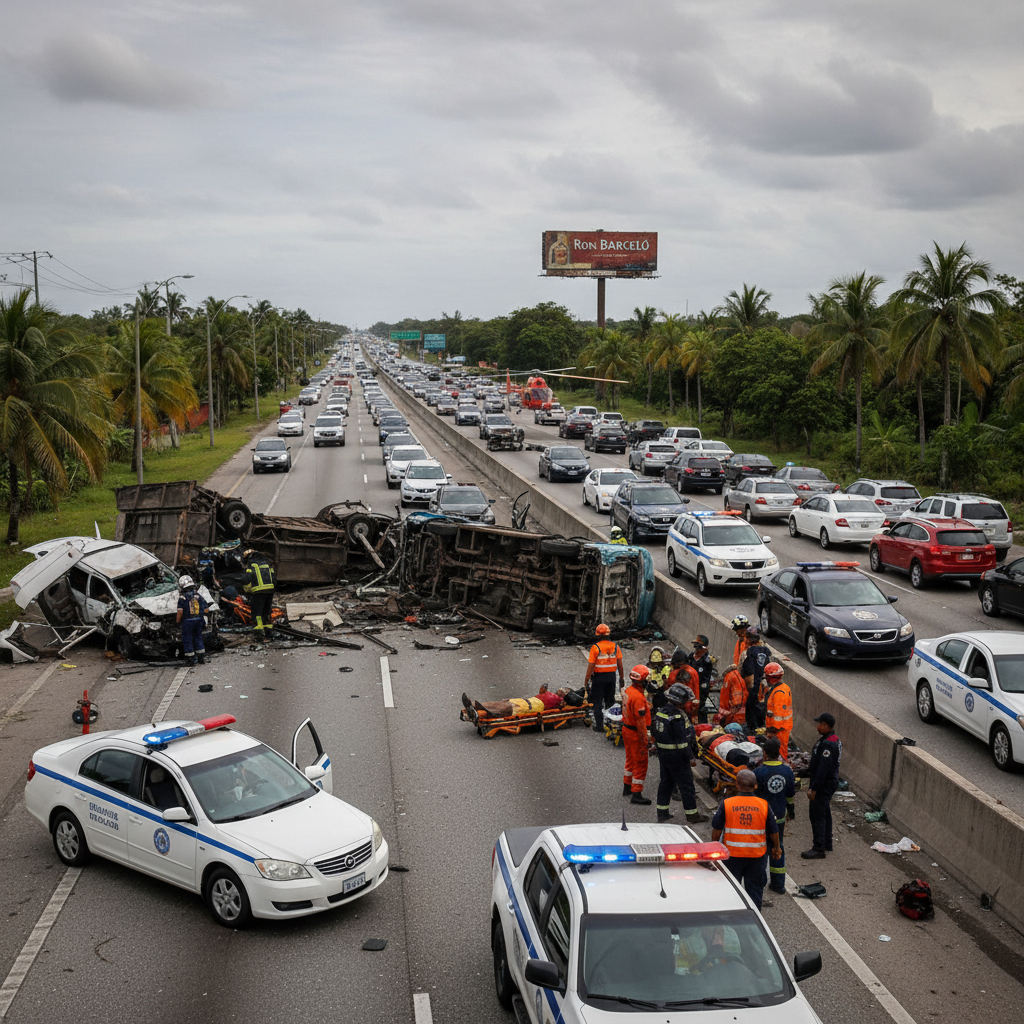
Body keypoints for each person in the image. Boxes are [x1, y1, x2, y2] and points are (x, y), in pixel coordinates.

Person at [711, 768, 781, 911]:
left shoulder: (727, 804)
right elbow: (773, 830)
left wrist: (714, 849)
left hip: (732, 856)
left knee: (732, 891)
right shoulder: (763, 805)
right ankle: (754, 920)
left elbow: (716, 830)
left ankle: (733, 917)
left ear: (737, 785)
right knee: (754, 892)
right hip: (757, 857)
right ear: (755, 786)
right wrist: (777, 848)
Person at [654, 683, 709, 825]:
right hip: (677, 756)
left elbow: (656, 734)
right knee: (686, 786)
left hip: (664, 755)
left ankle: (662, 813)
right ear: (680, 701)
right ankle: (692, 815)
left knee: (666, 783)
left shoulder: (661, 712)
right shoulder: (677, 716)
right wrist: (690, 757)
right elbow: (682, 741)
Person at [754, 737, 796, 896]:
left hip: (762, 819)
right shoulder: (787, 771)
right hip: (779, 818)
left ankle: (761, 882)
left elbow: (754, 796)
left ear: (764, 752)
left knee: (761, 851)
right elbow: (790, 794)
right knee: (778, 849)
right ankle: (779, 884)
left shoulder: (758, 772)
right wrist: (791, 810)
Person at [802, 712, 842, 860]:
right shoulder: (832, 739)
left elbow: (823, 769)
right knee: (825, 812)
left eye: (820, 724)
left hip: (824, 784)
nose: (817, 727)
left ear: (826, 726)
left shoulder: (828, 744)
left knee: (817, 814)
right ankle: (826, 842)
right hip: (829, 782)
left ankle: (818, 848)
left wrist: (814, 788)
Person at [584, 623, 624, 733]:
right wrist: (621, 678)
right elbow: (620, 664)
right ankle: (611, 724)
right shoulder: (616, 647)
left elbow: (591, 666)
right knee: (610, 701)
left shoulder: (595, 648)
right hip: (611, 677)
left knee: (597, 702)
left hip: (599, 678)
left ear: (597, 635)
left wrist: (586, 680)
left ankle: (599, 726)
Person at [622, 665, 652, 804]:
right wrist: (645, 740)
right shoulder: (639, 698)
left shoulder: (629, 691)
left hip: (626, 729)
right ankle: (637, 793)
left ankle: (627, 786)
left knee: (630, 759)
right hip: (635, 732)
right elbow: (641, 723)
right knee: (640, 762)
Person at [462, 684, 574, 720]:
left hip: (529, 707)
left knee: (502, 709)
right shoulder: (550, 693)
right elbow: (541, 692)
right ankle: (472, 706)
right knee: (496, 704)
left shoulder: (561, 701)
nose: (561, 689)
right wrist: (543, 688)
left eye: (564, 690)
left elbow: (565, 707)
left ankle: (475, 713)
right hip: (524, 701)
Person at [740, 627, 771, 731]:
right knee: (763, 715)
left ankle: (753, 733)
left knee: (752, 719)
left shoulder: (746, 654)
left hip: (753, 691)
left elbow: (745, 675)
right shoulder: (768, 653)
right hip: (766, 690)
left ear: (749, 639)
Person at [242, 549, 276, 642]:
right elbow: (273, 577)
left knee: (257, 613)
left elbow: (246, 579)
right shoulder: (267, 564)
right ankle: (268, 633)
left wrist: (247, 590)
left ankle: (259, 634)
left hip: (258, 592)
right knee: (266, 611)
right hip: (270, 590)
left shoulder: (252, 566)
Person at [175, 575, 208, 666]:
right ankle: (201, 657)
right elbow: (206, 609)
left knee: (187, 639)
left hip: (188, 621)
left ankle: (190, 659)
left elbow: (180, 612)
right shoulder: (199, 596)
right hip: (199, 620)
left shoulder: (182, 598)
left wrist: (177, 622)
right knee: (198, 637)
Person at [763, 662, 793, 761]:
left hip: (779, 730)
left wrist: (772, 730)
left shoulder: (779, 693)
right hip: (779, 729)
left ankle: (781, 768)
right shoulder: (782, 688)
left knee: (780, 752)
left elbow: (779, 716)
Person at [688, 635, 715, 724]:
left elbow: (708, 674)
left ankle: (702, 724)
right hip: (690, 685)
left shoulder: (707, 660)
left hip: (701, 687)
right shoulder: (691, 656)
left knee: (700, 707)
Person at [715, 664, 748, 728]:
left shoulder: (730, 677)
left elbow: (736, 699)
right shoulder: (736, 676)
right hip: (737, 715)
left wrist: (726, 714)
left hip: (734, 716)